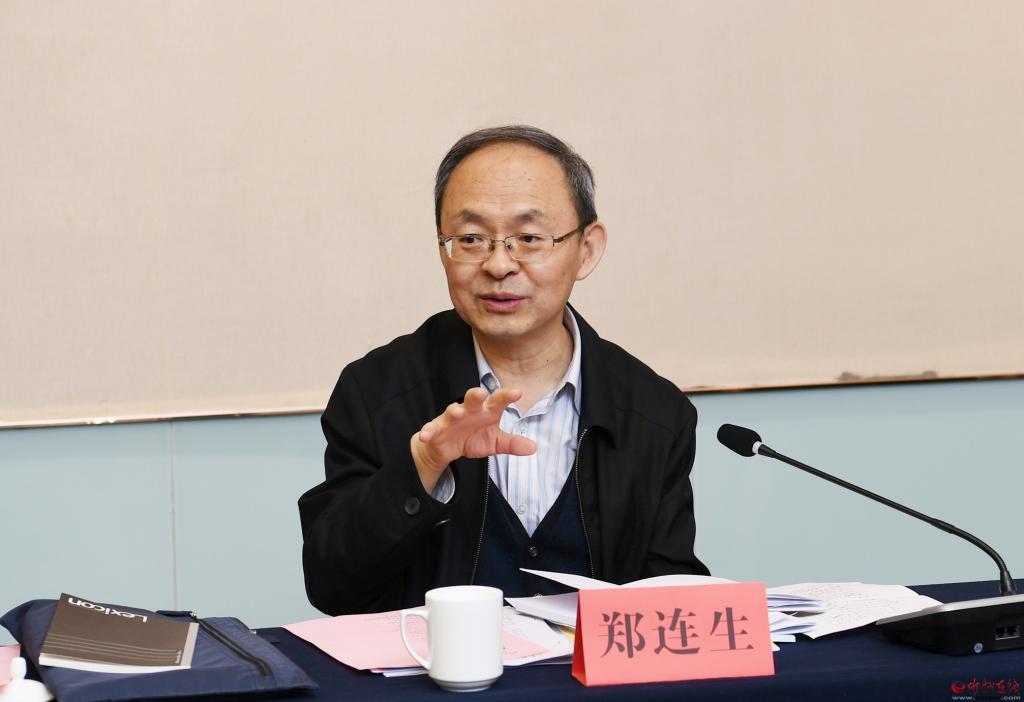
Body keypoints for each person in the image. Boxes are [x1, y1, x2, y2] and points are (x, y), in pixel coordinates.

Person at [299, 125, 708, 616]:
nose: (498, 265)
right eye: (471, 238)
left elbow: (670, 598)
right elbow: (333, 587)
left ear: (587, 249)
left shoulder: (654, 411)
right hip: (431, 666)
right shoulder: (376, 391)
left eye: (529, 238)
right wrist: (423, 466)